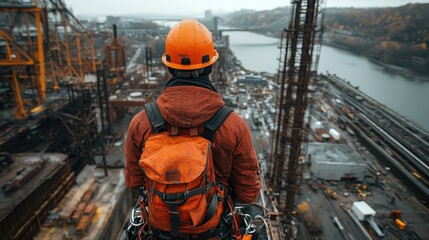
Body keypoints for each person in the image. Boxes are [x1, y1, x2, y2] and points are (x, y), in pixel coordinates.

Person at [124, 19, 261, 238]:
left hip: (159, 230)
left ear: (169, 67)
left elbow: (133, 181)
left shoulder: (142, 122)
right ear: (210, 65)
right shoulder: (233, 126)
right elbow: (248, 191)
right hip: (212, 230)